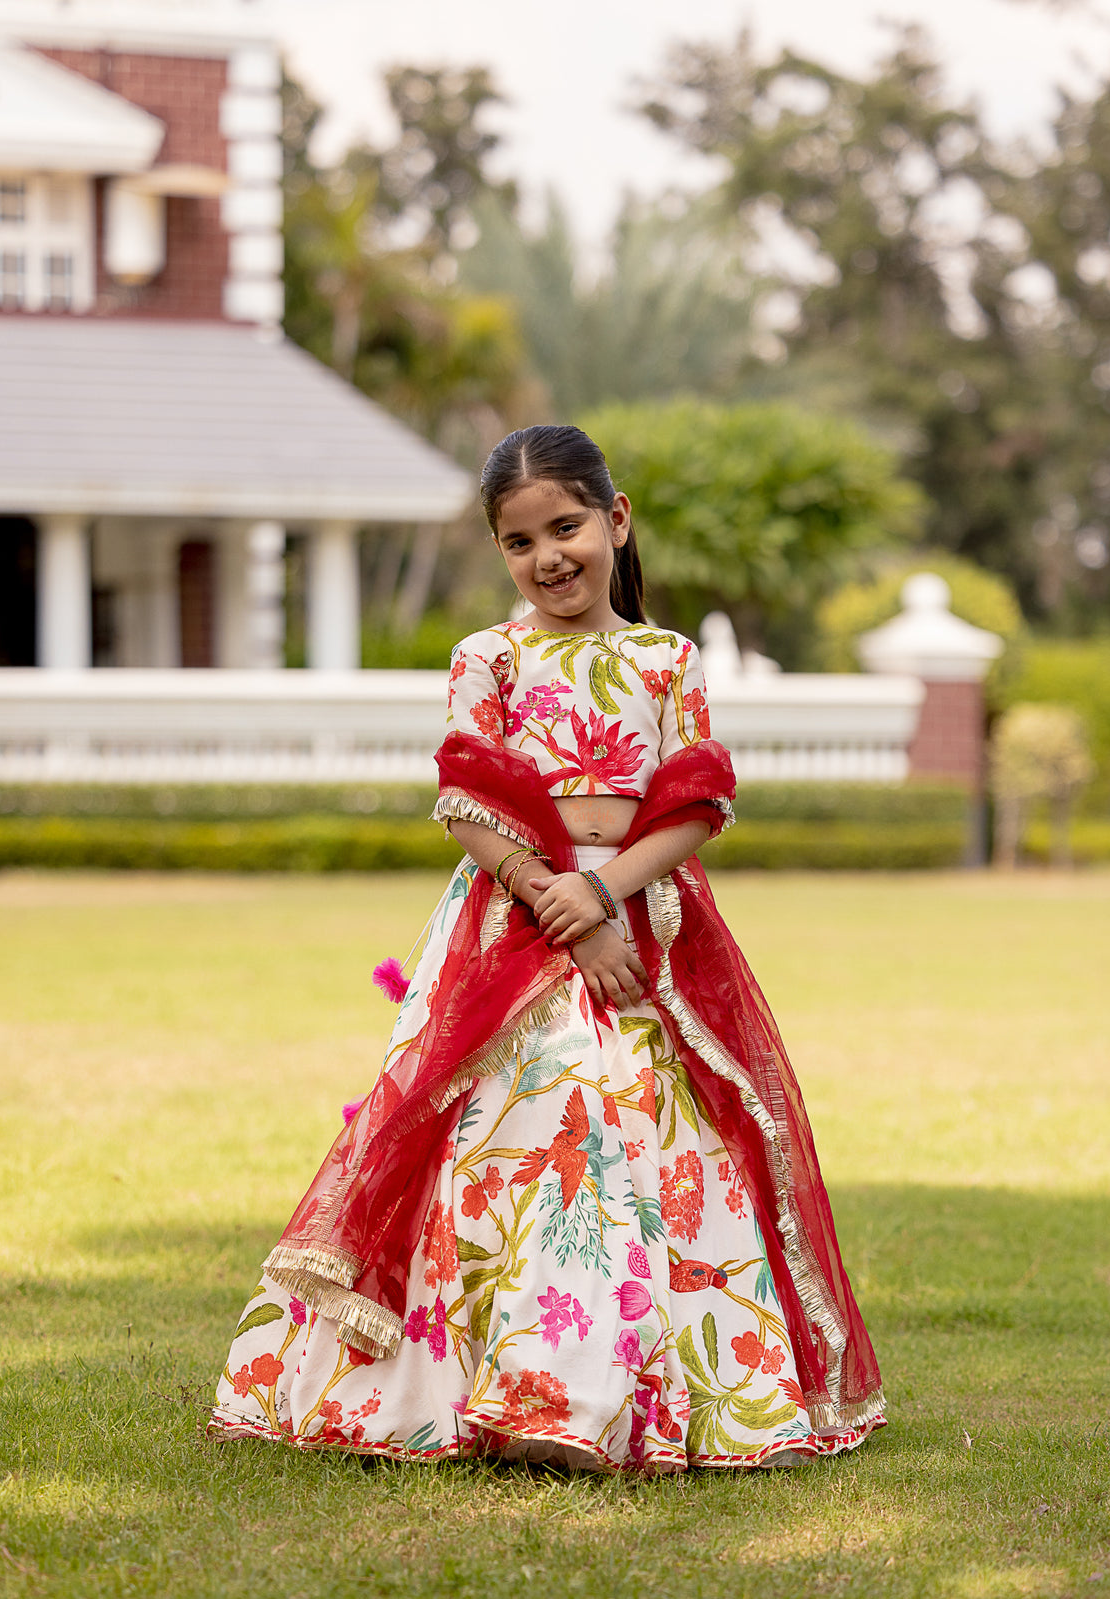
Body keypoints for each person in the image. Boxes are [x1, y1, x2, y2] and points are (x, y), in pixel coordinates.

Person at [209, 424, 884, 1470]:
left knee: (654, 1126)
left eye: (566, 526)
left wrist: (604, 892)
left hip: (646, 914)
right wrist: (550, 895)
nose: (548, 557)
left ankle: (626, 1389)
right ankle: (506, 1385)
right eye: (520, 542)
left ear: (616, 520)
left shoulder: (666, 660)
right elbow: (465, 799)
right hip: (511, 924)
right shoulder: (490, 657)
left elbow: (698, 801)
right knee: (531, 1118)